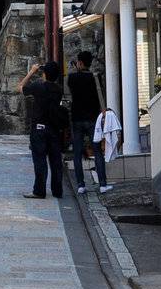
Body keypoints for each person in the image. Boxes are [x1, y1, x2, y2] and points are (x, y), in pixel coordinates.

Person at [19, 58, 68, 199]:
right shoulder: (58, 90)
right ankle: (57, 190)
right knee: (55, 161)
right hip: (54, 128)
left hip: (39, 129)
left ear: (45, 73)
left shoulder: (38, 86)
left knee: (40, 160)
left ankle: (39, 190)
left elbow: (20, 88)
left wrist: (31, 72)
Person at [67, 49, 112, 195]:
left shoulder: (72, 78)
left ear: (79, 62)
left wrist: (76, 70)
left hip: (77, 118)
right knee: (97, 151)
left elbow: (71, 90)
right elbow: (101, 96)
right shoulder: (96, 77)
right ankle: (103, 184)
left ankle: (81, 185)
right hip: (93, 119)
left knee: (77, 152)